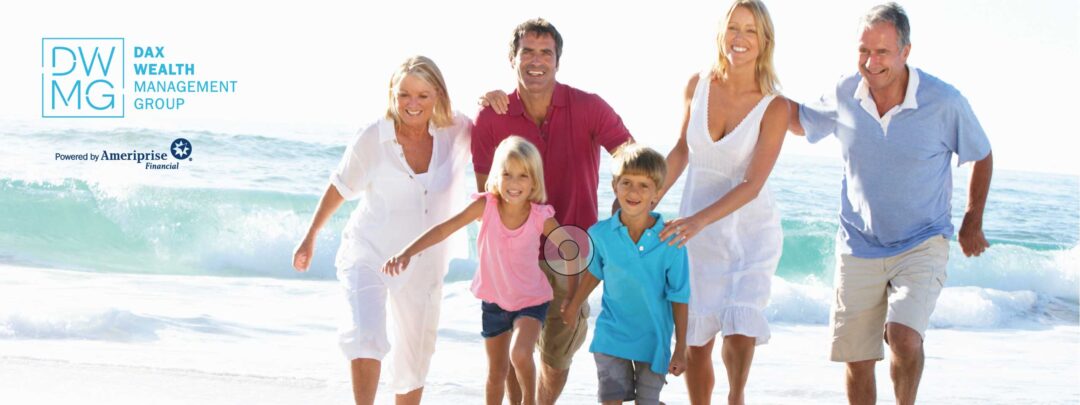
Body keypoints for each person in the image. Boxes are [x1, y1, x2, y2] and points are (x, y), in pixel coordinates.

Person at [787, 3, 993, 404]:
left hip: (922, 240)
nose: (871, 61)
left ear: (905, 52)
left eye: (882, 52)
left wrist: (972, 220)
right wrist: (757, 96)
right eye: (864, 50)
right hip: (858, 243)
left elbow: (981, 155)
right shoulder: (845, 92)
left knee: (903, 336)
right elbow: (800, 121)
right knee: (858, 358)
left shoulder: (943, 101)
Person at [291, 55, 472, 405]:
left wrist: (494, 99)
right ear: (393, 94)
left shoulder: (454, 130)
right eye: (404, 94)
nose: (413, 104)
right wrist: (310, 236)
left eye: (422, 95)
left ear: (437, 94)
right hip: (369, 252)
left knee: (414, 360)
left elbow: (497, 132)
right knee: (365, 335)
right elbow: (339, 187)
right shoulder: (374, 137)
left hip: (423, 262)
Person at [474, 18, 635, 405]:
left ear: (558, 61)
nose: (536, 60)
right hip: (514, 255)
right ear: (512, 57)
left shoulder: (589, 107)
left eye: (545, 52)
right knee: (515, 351)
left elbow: (630, 156)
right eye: (527, 51)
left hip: (571, 252)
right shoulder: (491, 116)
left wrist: (622, 211)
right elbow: (485, 194)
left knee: (556, 358)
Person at [653, 1, 789, 404]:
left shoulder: (775, 105)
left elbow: (753, 183)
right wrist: (645, 201)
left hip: (750, 232)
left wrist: (696, 220)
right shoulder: (698, 84)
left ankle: (736, 396)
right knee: (697, 341)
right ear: (721, 33)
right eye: (734, 28)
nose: (740, 38)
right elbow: (680, 151)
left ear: (765, 40)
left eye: (750, 30)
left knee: (740, 324)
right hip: (698, 235)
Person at [383, 136, 577, 405]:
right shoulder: (485, 206)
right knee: (496, 374)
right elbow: (443, 229)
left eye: (523, 176)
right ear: (497, 176)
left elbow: (569, 249)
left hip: (531, 300)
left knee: (520, 354)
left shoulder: (539, 216)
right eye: (507, 174)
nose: (514, 183)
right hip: (495, 302)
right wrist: (407, 252)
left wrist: (572, 295)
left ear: (534, 182)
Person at [561, 143, 690, 405]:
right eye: (627, 182)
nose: (634, 191)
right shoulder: (600, 233)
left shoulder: (671, 240)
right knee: (610, 399)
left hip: (653, 338)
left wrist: (681, 347)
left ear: (657, 193)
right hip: (612, 333)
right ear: (615, 186)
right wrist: (574, 304)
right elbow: (595, 272)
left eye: (644, 185)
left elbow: (680, 295)